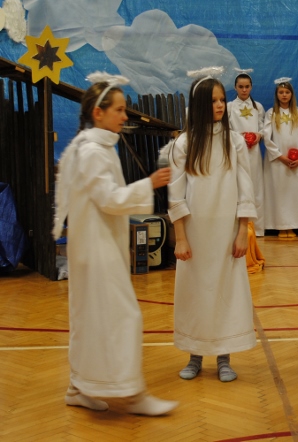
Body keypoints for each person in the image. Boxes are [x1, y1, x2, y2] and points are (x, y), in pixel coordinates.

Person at [52, 73, 178, 416]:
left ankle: (77, 386)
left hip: (95, 247)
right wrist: (149, 184)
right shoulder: (93, 151)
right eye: (119, 110)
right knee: (124, 317)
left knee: (89, 319)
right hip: (97, 251)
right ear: (99, 112)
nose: (125, 116)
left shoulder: (95, 147)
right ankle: (133, 394)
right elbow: (108, 199)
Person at [168, 67, 257, 383]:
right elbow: (176, 194)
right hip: (195, 234)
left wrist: (243, 231)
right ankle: (195, 355)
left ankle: (224, 356)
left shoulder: (234, 142)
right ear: (199, 105)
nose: (220, 106)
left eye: (222, 100)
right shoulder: (184, 143)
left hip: (225, 233)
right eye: (213, 101)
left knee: (225, 292)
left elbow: (245, 189)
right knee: (195, 292)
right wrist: (181, 237)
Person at [263, 77, 298, 238]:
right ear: (277, 95)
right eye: (281, 92)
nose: (284, 95)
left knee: (294, 193)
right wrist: (279, 156)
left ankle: (294, 224)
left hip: (295, 161)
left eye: (287, 92)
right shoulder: (271, 113)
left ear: (291, 94)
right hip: (278, 161)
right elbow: (267, 137)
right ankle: (281, 226)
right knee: (279, 193)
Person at [228, 68, 266, 237]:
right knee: (238, 186)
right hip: (237, 151)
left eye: (247, 86)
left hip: (254, 153)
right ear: (235, 87)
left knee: (255, 187)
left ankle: (257, 228)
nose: (244, 90)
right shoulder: (229, 107)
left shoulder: (258, 107)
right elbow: (226, 129)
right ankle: (237, 227)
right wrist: (239, 136)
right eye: (241, 87)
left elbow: (263, 128)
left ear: (251, 87)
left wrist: (258, 135)